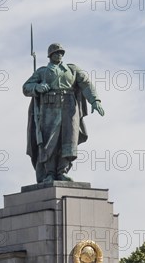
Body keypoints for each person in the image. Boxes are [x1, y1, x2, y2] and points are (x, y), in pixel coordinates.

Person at [23, 43, 104, 183]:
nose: (59, 54)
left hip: (69, 108)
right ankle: (49, 173)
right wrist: (38, 87)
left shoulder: (72, 70)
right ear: (50, 55)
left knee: (68, 140)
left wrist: (95, 100)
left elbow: (86, 84)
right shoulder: (42, 72)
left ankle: (62, 171)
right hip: (49, 108)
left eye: (61, 52)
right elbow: (26, 88)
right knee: (49, 142)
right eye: (56, 52)